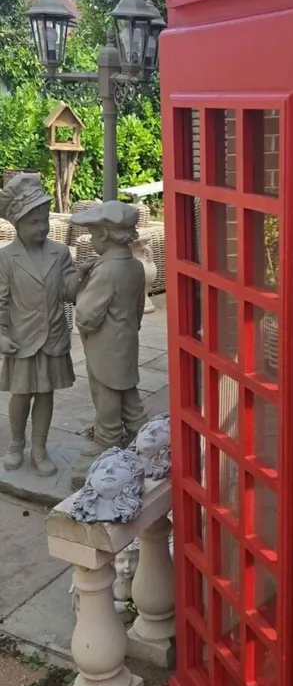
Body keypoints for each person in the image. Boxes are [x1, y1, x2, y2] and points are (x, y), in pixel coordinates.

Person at [0, 174, 80, 476]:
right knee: (21, 396)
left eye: (44, 219)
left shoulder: (60, 253)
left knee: (46, 395)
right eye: (33, 222)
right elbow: (1, 300)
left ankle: (39, 448)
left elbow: (67, 293)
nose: (42, 227)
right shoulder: (6, 258)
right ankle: (16, 444)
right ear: (17, 223)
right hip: (21, 340)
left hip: (53, 339)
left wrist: (79, 278)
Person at [70, 201, 146, 483]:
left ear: (104, 235)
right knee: (127, 390)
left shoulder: (105, 271)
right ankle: (141, 431)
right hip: (127, 340)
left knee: (105, 393)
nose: (91, 240)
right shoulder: (135, 266)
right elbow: (138, 307)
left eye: (92, 235)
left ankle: (108, 439)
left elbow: (88, 315)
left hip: (104, 345)